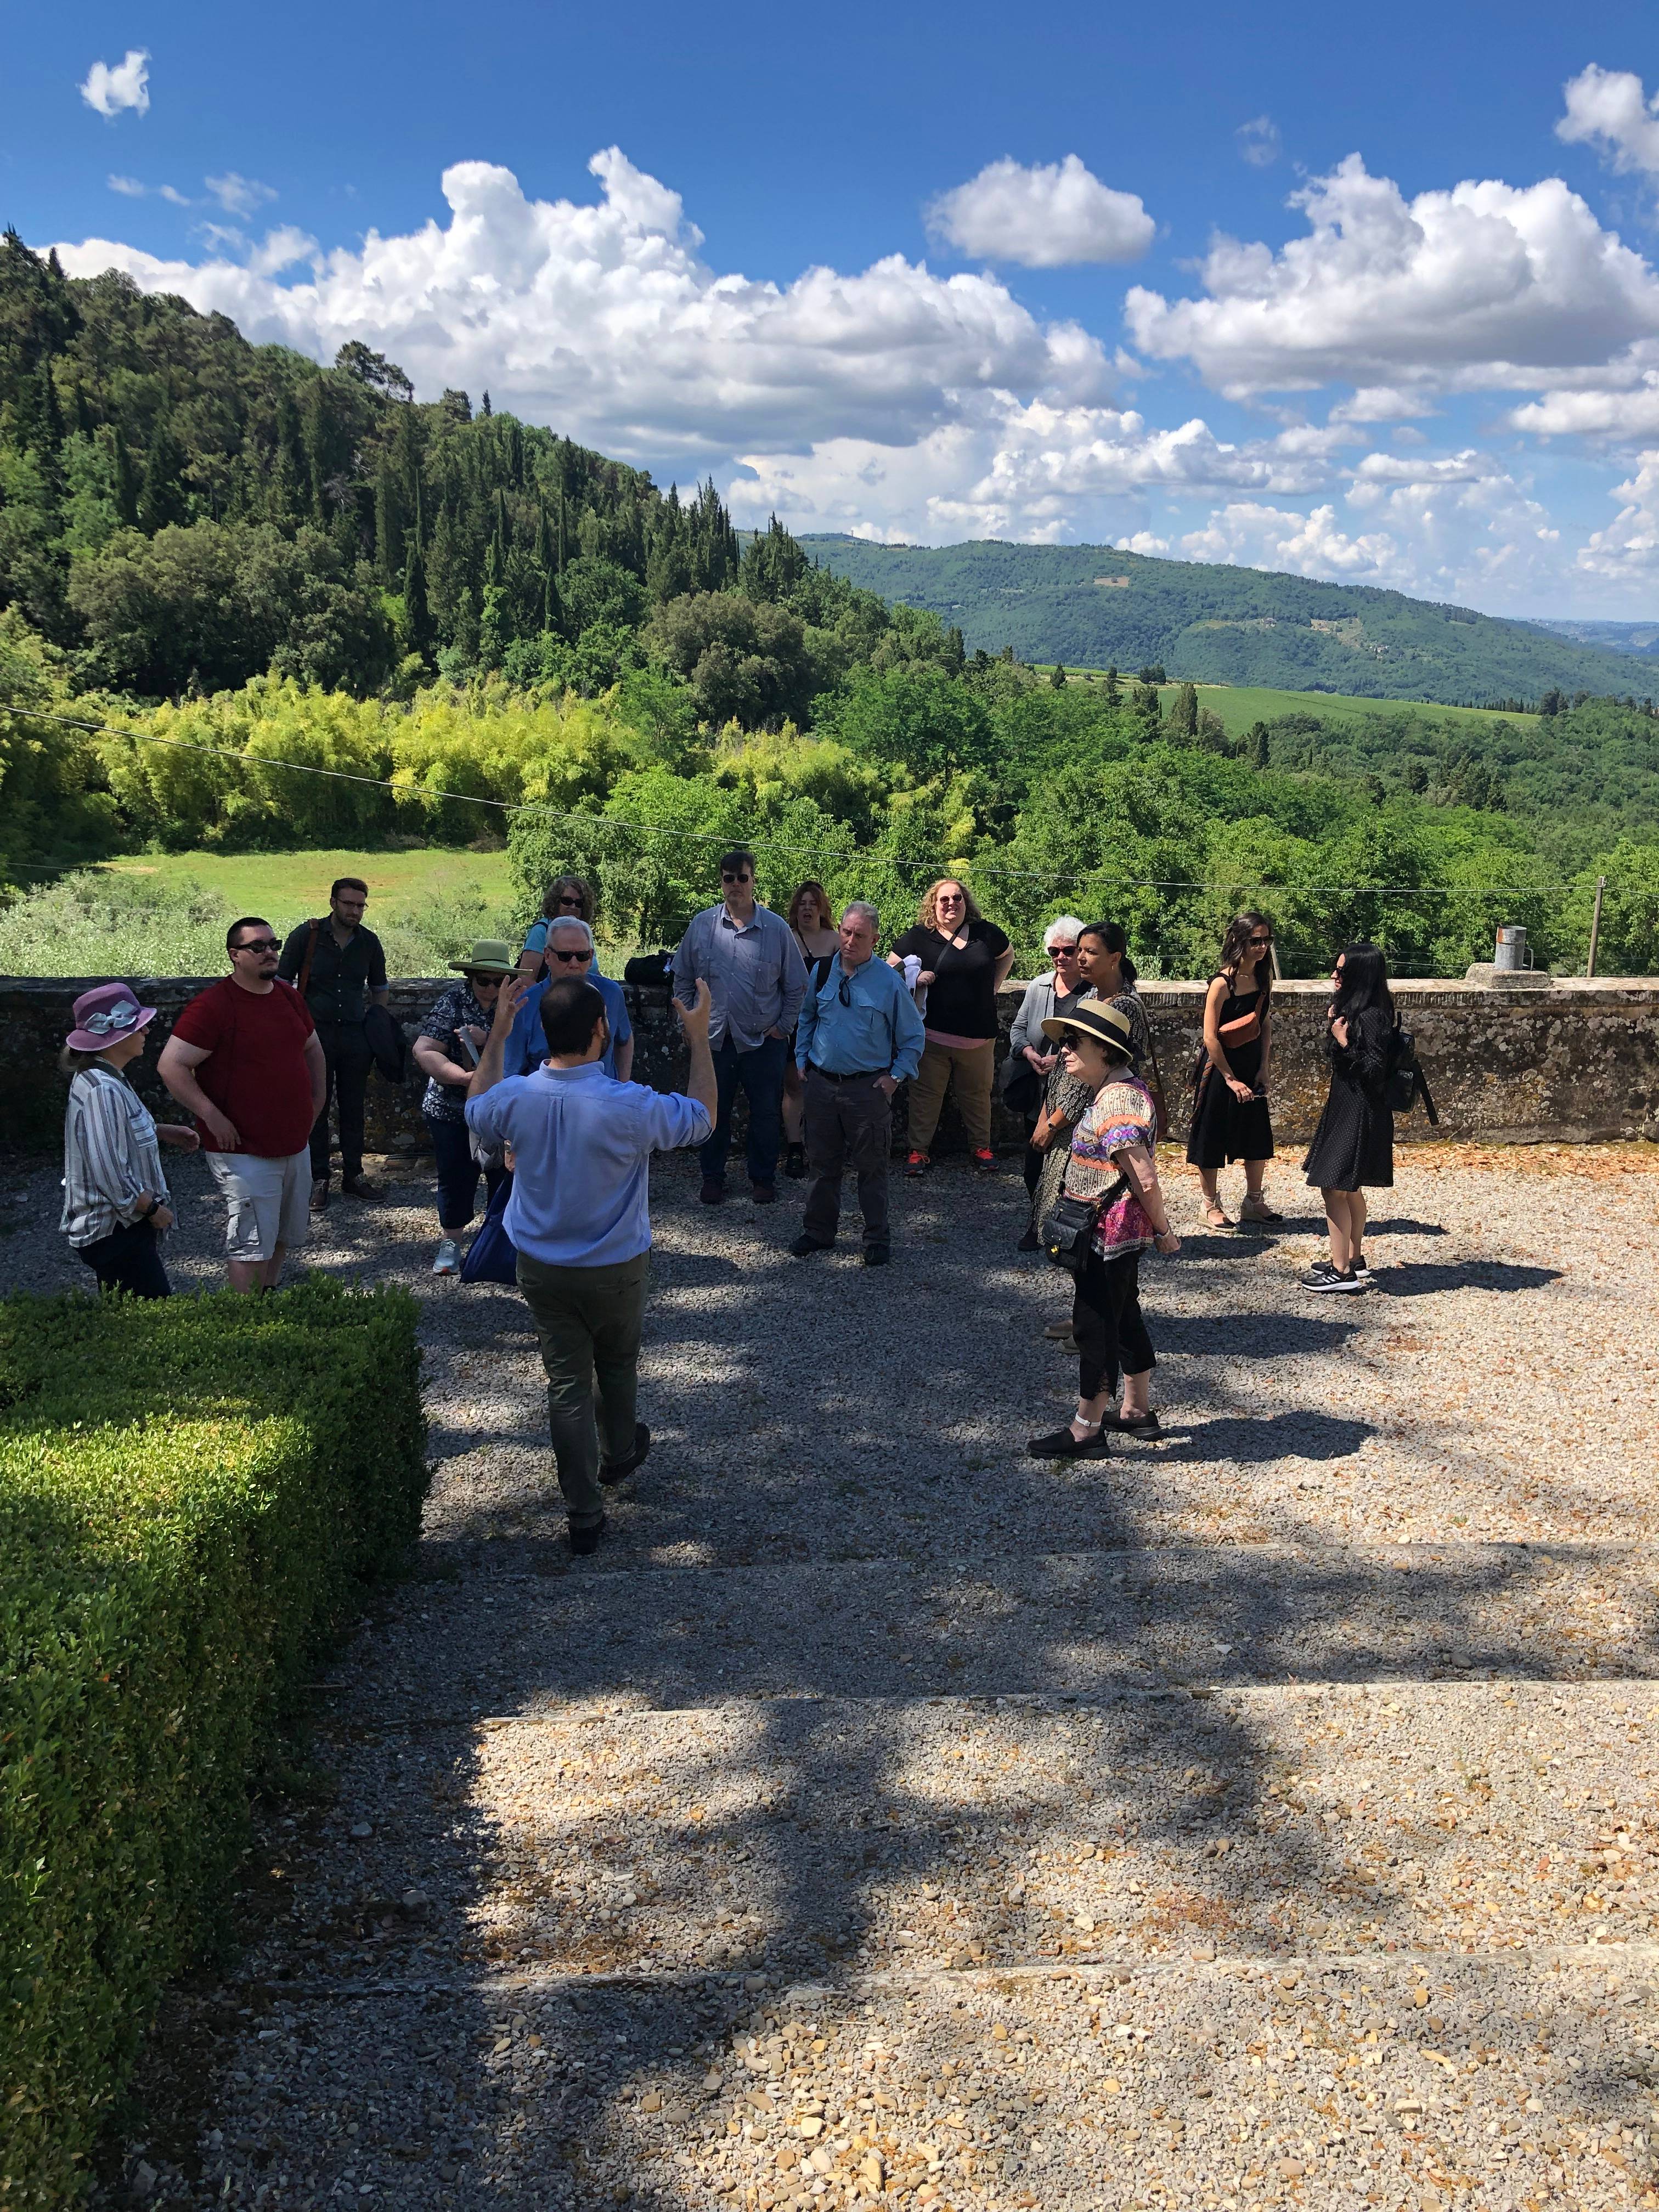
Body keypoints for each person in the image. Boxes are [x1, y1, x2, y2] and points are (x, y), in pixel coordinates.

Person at [464, 971, 716, 1556]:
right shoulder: (628, 1105)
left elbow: (475, 1107)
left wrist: (499, 1033)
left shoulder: (517, 1097)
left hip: (540, 1265)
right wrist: (700, 1039)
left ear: (543, 1030)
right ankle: (620, 1450)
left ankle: (583, 1513)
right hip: (616, 1264)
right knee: (618, 1360)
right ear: (602, 1029)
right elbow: (702, 1119)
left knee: (567, 1383)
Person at [1026, 1003, 1181, 1460]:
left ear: (1108, 1051)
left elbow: (1144, 1176)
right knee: (1122, 1313)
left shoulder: (1117, 1101)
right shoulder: (1117, 1090)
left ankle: (1085, 1430)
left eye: (1075, 1043)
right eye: (1064, 1041)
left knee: (1095, 1325)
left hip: (1106, 1235)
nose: (1065, 1049)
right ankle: (1136, 1411)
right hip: (1111, 1234)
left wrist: (1165, 1231)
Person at [159, 917, 326, 1292]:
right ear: (235, 955)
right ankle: (243, 1322)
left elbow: (313, 1048)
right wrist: (211, 1116)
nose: (270, 952)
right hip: (243, 1150)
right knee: (251, 1242)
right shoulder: (214, 1007)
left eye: (274, 944)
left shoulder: (288, 997)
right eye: (258, 947)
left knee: (283, 1233)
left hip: (294, 1143)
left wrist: (317, 1102)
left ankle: (265, 1301)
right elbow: (171, 1065)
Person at [789, 901, 926, 1267]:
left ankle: (876, 1238)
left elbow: (913, 1037)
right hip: (821, 1086)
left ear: (875, 940)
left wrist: (895, 1078)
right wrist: (802, 1060)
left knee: (872, 1168)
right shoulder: (821, 972)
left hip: (867, 1091)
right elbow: (806, 1018)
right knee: (821, 1165)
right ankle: (819, 1232)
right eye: (846, 933)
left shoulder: (889, 983)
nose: (850, 941)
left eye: (859, 935)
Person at [1028, 921, 1152, 1319]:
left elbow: (1096, 1075)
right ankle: (1087, 1315)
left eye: (1091, 951)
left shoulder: (1124, 1006)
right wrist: (1047, 1112)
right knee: (1072, 1225)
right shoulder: (1094, 996)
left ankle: (1103, 1322)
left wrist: (1053, 1122)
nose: (1080, 957)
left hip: (1093, 1126)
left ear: (1115, 957)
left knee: (1090, 1225)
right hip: (1070, 1123)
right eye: (1078, 950)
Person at [672, 848, 805, 1206]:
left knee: (765, 1112)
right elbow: (682, 976)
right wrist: (688, 1022)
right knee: (712, 1110)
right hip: (714, 1039)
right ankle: (712, 1177)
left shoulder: (776, 929)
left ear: (753, 881)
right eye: (728, 878)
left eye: (742, 878)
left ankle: (762, 1178)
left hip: (764, 1040)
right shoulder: (702, 926)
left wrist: (784, 1027)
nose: (735, 885)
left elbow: (797, 985)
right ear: (721, 882)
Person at [58, 983, 200, 1298]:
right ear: (115, 1036)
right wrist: (153, 1210)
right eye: (138, 1026)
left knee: (126, 1316)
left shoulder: (103, 1077)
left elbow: (109, 1134)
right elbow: (109, 1172)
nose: (147, 1030)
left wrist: (162, 1131)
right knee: (155, 1314)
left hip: (116, 1231)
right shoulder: (103, 1089)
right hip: (116, 1230)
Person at [277, 877, 388, 1211]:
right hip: (314, 1035)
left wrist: (377, 1024)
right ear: (333, 903)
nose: (355, 911)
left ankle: (354, 1176)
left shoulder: (369, 943)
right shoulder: (307, 935)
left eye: (360, 905)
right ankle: (319, 1179)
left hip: (355, 1034)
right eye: (349, 904)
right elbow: (282, 983)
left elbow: (379, 987)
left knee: (354, 1106)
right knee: (317, 1106)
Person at [889, 878, 1014, 1176]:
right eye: (944, 899)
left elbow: (1007, 955)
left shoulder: (985, 933)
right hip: (932, 1037)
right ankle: (918, 1152)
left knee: (978, 1097)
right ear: (934, 904)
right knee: (925, 1097)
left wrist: (993, 988)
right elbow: (889, 971)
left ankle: (981, 1148)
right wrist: (914, 979)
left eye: (957, 898)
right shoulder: (920, 937)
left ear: (965, 902)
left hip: (978, 1038)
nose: (951, 904)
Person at [413, 939, 517, 1276]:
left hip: (503, 1112)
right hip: (451, 1109)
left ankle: (497, 1243)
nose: (489, 988)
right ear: (470, 978)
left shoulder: (521, 1004)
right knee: (456, 1177)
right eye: (482, 980)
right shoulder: (452, 1001)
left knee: (505, 1177)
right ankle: (452, 1244)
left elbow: (530, 1052)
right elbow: (424, 1049)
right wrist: (463, 1078)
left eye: (497, 981)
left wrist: (488, 1040)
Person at [1301, 941, 1396, 1294]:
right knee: (1349, 1185)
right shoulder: (1362, 1011)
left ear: (1360, 976)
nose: (1333, 975)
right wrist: (1337, 1028)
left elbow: (1373, 1070)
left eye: (1341, 971)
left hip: (1359, 1111)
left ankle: (1341, 1272)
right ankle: (1353, 1258)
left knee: (1334, 1186)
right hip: (1348, 1107)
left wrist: (1342, 1040)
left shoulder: (1371, 1017)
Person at [1186, 911, 1279, 1229]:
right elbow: (1210, 1037)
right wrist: (1230, 1079)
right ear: (1239, 942)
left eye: (1267, 940)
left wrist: (1263, 1068)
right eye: (1256, 941)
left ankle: (1254, 1201)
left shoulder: (1262, 979)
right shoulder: (1221, 983)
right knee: (1211, 1136)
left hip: (1251, 1065)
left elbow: (1264, 1024)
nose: (1263, 947)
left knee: (1256, 1134)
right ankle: (1209, 1205)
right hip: (1220, 1069)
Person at [1007, 917, 1089, 1250]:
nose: (1060, 957)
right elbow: (1017, 1030)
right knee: (1034, 1163)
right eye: (1054, 951)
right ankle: (1038, 1222)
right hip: (1038, 1091)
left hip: (1075, 1091)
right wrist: (1029, 1053)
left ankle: (1066, 1230)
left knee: (1071, 1167)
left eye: (1068, 950)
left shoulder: (1094, 991)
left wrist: (1061, 1060)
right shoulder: (1038, 986)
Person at [500, 917, 634, 1083]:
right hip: (547, 1102)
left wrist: (622, 1084)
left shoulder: (612, 993)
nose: (574, 963)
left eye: (582, 956)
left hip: (602, 1102)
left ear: (591, 956)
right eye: (565, 956)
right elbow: (510, 1070)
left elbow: (625, 1040)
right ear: (547, 956)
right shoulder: (526, 1003)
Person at [781, 880, 839, 1180]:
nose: (807, 909)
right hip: (792, 1022)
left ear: (821, 908)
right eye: (802, 904)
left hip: (828, 1026)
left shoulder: (836, 940)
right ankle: (794, 1149)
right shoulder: (786, 938)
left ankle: (822, 1150)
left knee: (825, 1089)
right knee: (794, 1088)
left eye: (812, 903)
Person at [518, 875, 596, 980]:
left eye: (579, 903)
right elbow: (525, 979)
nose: (573, 907)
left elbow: (594, 973)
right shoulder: (542, 931)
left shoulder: (584, 932)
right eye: (567, 901)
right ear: (555, 902)